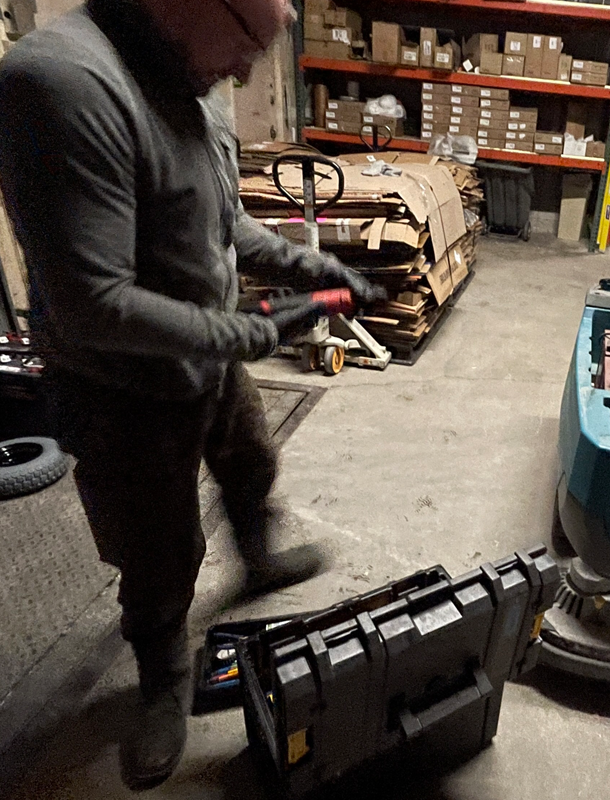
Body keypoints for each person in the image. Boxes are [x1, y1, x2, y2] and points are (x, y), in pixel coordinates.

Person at [0, 0, 385, 790]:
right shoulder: (62, 84)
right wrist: (253, 333)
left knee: (250, 461)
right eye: (248, 45)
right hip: (121, 389)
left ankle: (259, 561)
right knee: (159, 546)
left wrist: (314, 271)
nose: (247, 72)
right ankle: (164, 674)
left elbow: (225, 227)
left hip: (205, 357)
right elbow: (94, 302)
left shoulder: (187, 75)